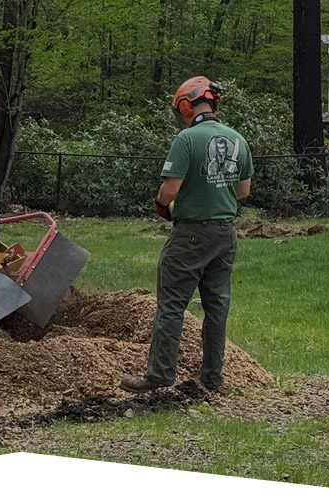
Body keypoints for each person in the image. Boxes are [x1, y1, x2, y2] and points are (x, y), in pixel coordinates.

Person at [120, 76, 253, 394]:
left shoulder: (186, 139)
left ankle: (159, 374)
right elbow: (243, 191)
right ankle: (212, 379)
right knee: (217, 308)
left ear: (185, 106)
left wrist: (160, 204)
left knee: (171, 305)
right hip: (225, 234)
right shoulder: (238, 139)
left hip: (191, 234)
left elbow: (170, 190)